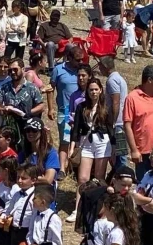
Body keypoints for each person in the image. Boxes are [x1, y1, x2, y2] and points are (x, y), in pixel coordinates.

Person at [70, 78, 113, 214]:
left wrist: (114, 149)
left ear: (100, 90)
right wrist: (72, 147)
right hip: (86, 142)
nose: (93, 92)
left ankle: (97, 207)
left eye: (96, 89)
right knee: (83, 178)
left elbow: (111, 129)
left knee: (99, 177)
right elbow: (75, 129)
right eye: (91, 90)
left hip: (102, 142)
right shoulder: (81, 107)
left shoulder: (106, 107)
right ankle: (78, 209)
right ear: (87, 91)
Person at [49, 47, 85, 177]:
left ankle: (75, 166)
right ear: (69, 58)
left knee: (80, 140)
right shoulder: (58, 70)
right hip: (64, 111)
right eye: (77, 60)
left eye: (82, 59)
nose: (80, 62)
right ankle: (62, 169)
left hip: (82, 112)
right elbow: (50, 88)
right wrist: (51, 107)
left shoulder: (82, 71)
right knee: (65, 140)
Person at [0, 58, 45, 147]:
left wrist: (27, 113)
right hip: (9, 128)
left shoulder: (31, 88)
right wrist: (3, 109)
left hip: (27, 128)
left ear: (23, 69)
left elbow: (41, 106)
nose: (12, 72)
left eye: (15, 69)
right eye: (10, 70)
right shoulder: (5, 87)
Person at [99, 57, 129, 171]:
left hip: (118, 123)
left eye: (101, 67)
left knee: (120, 154)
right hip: (121, 121)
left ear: (106, 67)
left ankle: (122, 175)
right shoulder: (119, 78)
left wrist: (113, 121)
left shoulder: (112, 80)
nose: (100, 69)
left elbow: (115, 102)